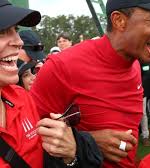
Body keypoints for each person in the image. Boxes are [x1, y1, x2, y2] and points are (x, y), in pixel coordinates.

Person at [30, 0, 150, 167]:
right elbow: (26, 136)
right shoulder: (62, 66)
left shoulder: (134, 64)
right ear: (119, 21)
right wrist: (88, 141)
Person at [0, 0, 102, 167]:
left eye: (15, 30)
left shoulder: (22, 98)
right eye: (2, 32)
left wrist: (70, 155)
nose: (18, 41)